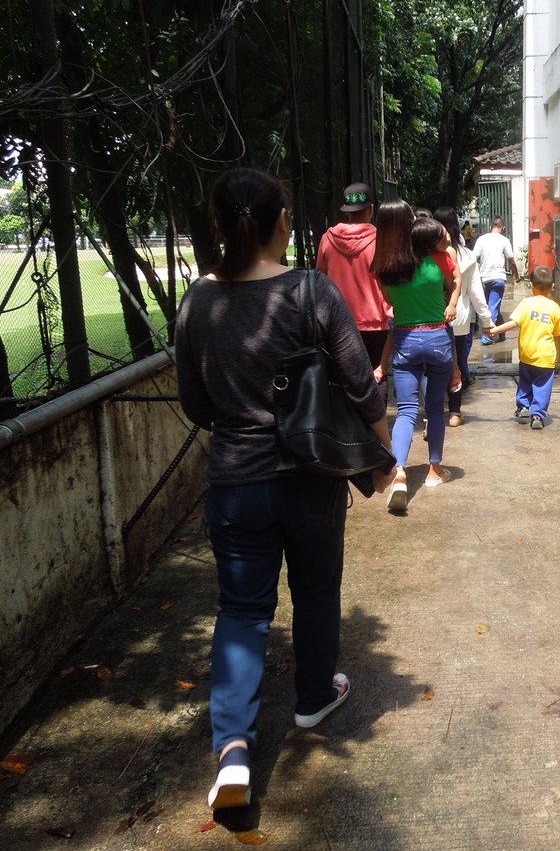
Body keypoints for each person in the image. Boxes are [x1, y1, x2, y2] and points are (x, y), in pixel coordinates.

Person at [176, 168, 394, 810]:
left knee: (242, 610)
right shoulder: (311, 292)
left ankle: (234, 756)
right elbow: (360, 382)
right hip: (310, 478)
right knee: (317, 590)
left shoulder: (197, 302)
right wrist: (381, 451)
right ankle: (312, 698)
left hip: (236, 483)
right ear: (281, 223)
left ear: (218, 226)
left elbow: (195, 404)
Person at [372, 202, 459, 512]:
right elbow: (452, 287)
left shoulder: (384, 267)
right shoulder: (438, 260)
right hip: (437, 337)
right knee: (435, 408)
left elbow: (389, 303)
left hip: (406, 339)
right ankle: (435, 470)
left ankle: (399, 473)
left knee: (407, 410)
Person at [316, 182, 392, 403]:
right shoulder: (381, 240)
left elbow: (320, 278)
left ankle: (346, 433)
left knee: (341, 379)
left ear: (346, 212)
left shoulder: (327, 239)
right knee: (377, 374)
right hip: (374, 322)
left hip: (336, 322)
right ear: (370, 209)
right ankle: (377, 433)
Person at [486, 265, 560, 430]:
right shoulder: (554, 308)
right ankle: (537, 415)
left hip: (526, 355)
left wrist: (494, 330)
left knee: (525, 382)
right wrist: (558, 355)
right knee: (543, 386)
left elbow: (513, 323)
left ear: (531, 286)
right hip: (546, 358)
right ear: (552, 287)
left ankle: (523, 407)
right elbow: (558, 335)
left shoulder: (526, 303)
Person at [434, 205, 492, 426]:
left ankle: (434, 411)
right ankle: (455, 412)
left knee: (436, 366)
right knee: (456, 365)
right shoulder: (467, 255)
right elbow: (476, 293)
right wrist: (487, 321)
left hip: (434, 318)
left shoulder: (429, 256)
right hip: (459, 318)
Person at [476, 215, 519, 344]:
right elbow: (511, 260)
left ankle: (489, 334)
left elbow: (474, 257)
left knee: (492, 306)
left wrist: (483, 263)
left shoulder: (481, 239)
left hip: (484, 278)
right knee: (494, 307)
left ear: (491, 226)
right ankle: (498, 333)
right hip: (499, 278)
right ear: (503, 227)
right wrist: (517, 275)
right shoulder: (504, 240)